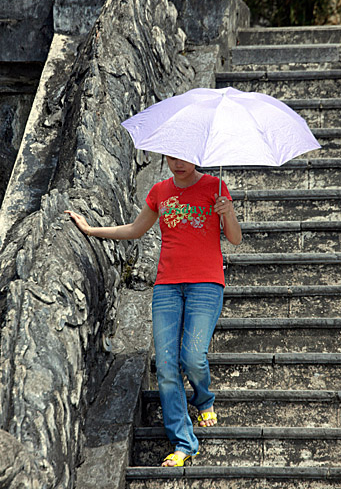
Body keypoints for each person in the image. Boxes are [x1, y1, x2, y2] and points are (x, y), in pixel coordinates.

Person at [65, 155, 242, 467]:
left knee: (192, 357)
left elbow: (235, 239)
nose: (178, 163)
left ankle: (204, 399)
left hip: (206, 285)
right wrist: (92, 231)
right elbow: (135, 229)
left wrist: (228, 213)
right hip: (167, 287)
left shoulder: (216, 187)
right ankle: (184, 442)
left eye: (183, 157)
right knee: (166, 366)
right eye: (171, 157)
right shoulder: (160, 191)